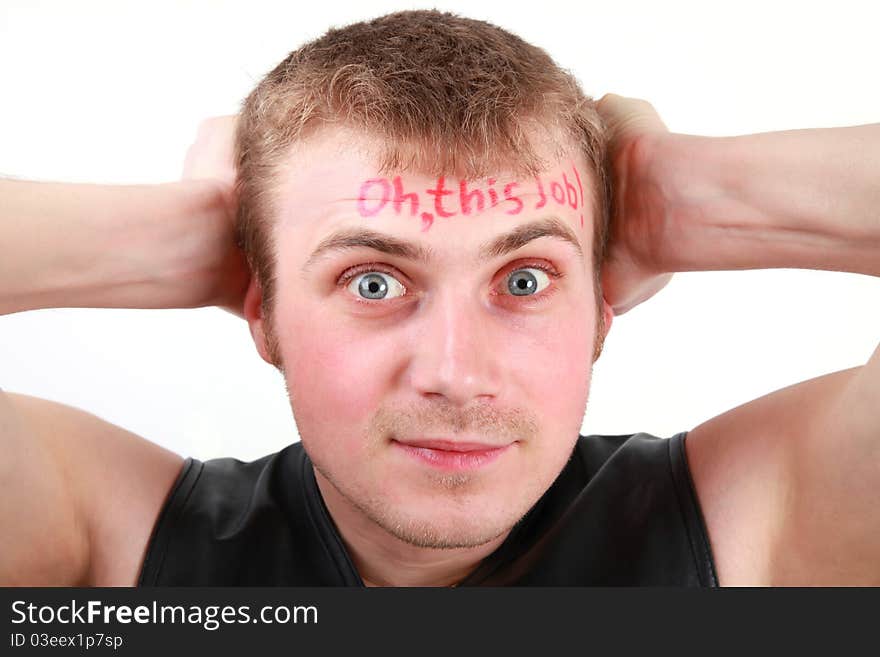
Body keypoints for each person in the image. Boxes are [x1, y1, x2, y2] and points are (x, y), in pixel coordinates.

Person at [1, 9, 878, 587]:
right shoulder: (114, 547)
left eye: (525, 280)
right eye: (373, 281)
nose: (457, 375)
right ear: (260, 310)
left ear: (602, 307)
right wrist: (184, 230)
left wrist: (678, 193)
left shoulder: (749, 529)